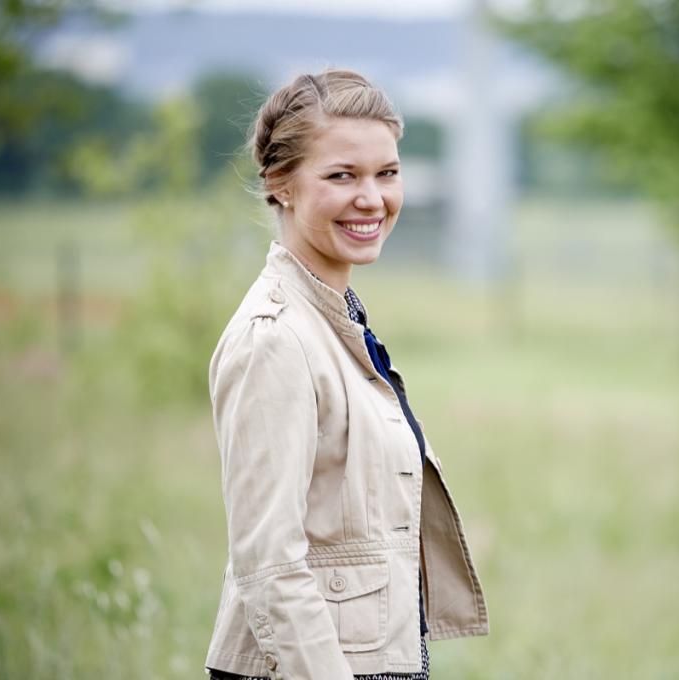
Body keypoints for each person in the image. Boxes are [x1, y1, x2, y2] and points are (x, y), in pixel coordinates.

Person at [203, 69, 488, 680]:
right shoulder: (275, 339)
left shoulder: (336, 321)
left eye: (387, 173)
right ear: (280, 185)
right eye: (342, 176)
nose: (372, 198)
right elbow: (269, 564)